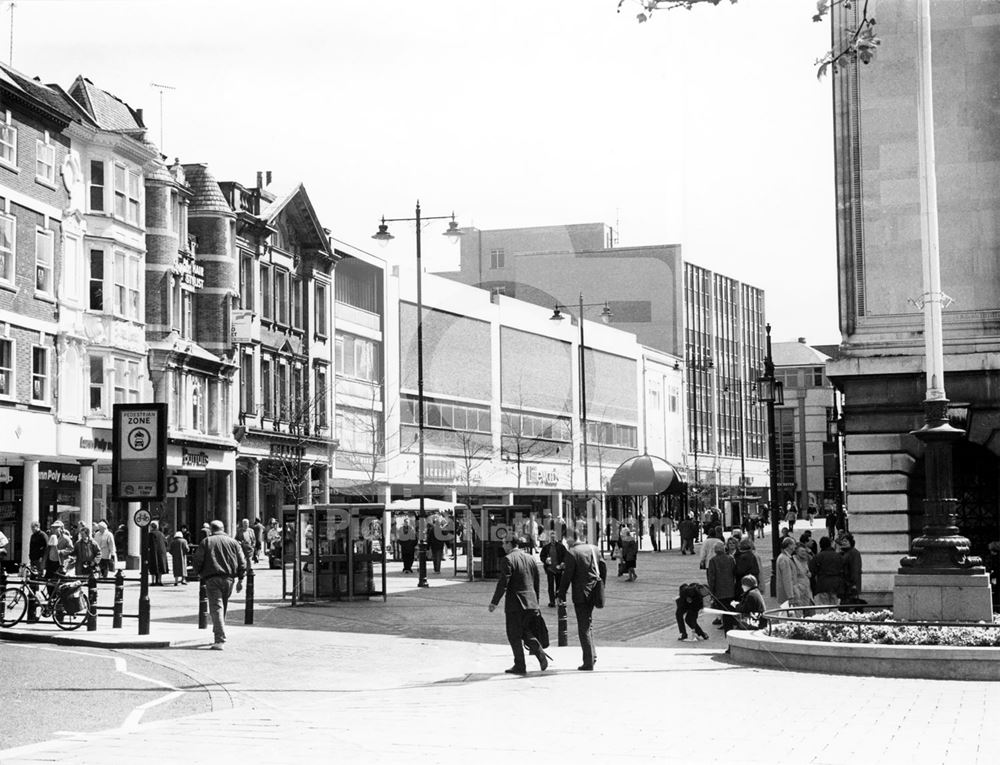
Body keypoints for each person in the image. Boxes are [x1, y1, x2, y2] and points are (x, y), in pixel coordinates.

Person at [488, 535, 547, 675]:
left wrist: (494, 602)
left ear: (510, 544)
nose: (502, 546)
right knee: (524, 630)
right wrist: (536, 602)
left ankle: (520, 665)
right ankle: (538, 651)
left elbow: (503, 583)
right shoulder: (531, 558)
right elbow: (536, 581)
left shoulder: (508, 559)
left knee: (514, 634)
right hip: (531, 602)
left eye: (504, 543)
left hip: (515, 604)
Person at [192, 519, 247, 649]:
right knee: (223, 607)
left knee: (216, 608)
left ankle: (219, 639)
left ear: (211, 529)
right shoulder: (233, 543)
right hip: (229, 579)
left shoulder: (207, 541)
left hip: (212, 578)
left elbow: (198, 560)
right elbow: (242, 562)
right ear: (223, 528)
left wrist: (198, 573)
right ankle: (219, 634)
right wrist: (240, 579)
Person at [557, 526, 605, 671]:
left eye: (566, 539)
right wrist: (602, 585)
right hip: (594, 591)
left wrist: (561, 594)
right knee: (589, 624)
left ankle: (588, 661)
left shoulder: (572, 553)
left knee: (583, 627)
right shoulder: (593, 548)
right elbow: (603, 568)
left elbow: (567, 576)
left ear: (570, 538)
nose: (566, 542)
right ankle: (593, 654)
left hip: (581, 594)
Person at [707, 541, 738, 631]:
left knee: (723, 609)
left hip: (719, 589)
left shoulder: (713, 561)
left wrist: (711, 590)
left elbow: (711, 577)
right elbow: (734, 573)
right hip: (730, 588)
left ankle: (727, 626)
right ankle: (730, 624)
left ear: (715, 551)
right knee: (730, 607)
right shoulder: (730, 559)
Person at [809, 536, 844, 606]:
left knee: (823, 608)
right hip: (836, 585)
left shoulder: (818, 557)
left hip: (822, 584)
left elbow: (812, 571)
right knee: (834, 607)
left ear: (821, 545)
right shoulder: (839, 556)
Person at [539, 528, 566, 608]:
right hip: (550, 569)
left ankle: (559, 599)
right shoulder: (546, 547)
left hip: (559, 569)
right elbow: (542, 556)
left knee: (559, 585)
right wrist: (545, 560)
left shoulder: (561, 547)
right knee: (550, 586)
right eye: (551, 538)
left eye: (554, 537)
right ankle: (552, 601)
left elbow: (566, 556)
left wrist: (563, 563)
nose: (553, 539)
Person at [838, 532, 863, 604]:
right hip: (845, 585)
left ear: (850, 542)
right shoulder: (845, 553)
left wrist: (853, 584)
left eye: (845, 541)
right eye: (842, 541)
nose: (843, 543)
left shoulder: (853, 553)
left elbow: (855, 569)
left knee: (849, 605)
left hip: (850, 586)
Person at [774, 536, 797, 606]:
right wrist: (790, 596)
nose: (795, 546)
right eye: (794, 544)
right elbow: (787, 578)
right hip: (786, 595)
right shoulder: (784, 559)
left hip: (788, 593)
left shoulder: (785, 557)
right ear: (789, 546)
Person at [147, 521, 169, 586]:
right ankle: (159, 581)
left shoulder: (150, 534)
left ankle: (153, 581)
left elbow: (147, 544)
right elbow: (166, 543)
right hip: (161, 553)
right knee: (160, 567)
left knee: (153, 567)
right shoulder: (162, 534)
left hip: (153, 553)